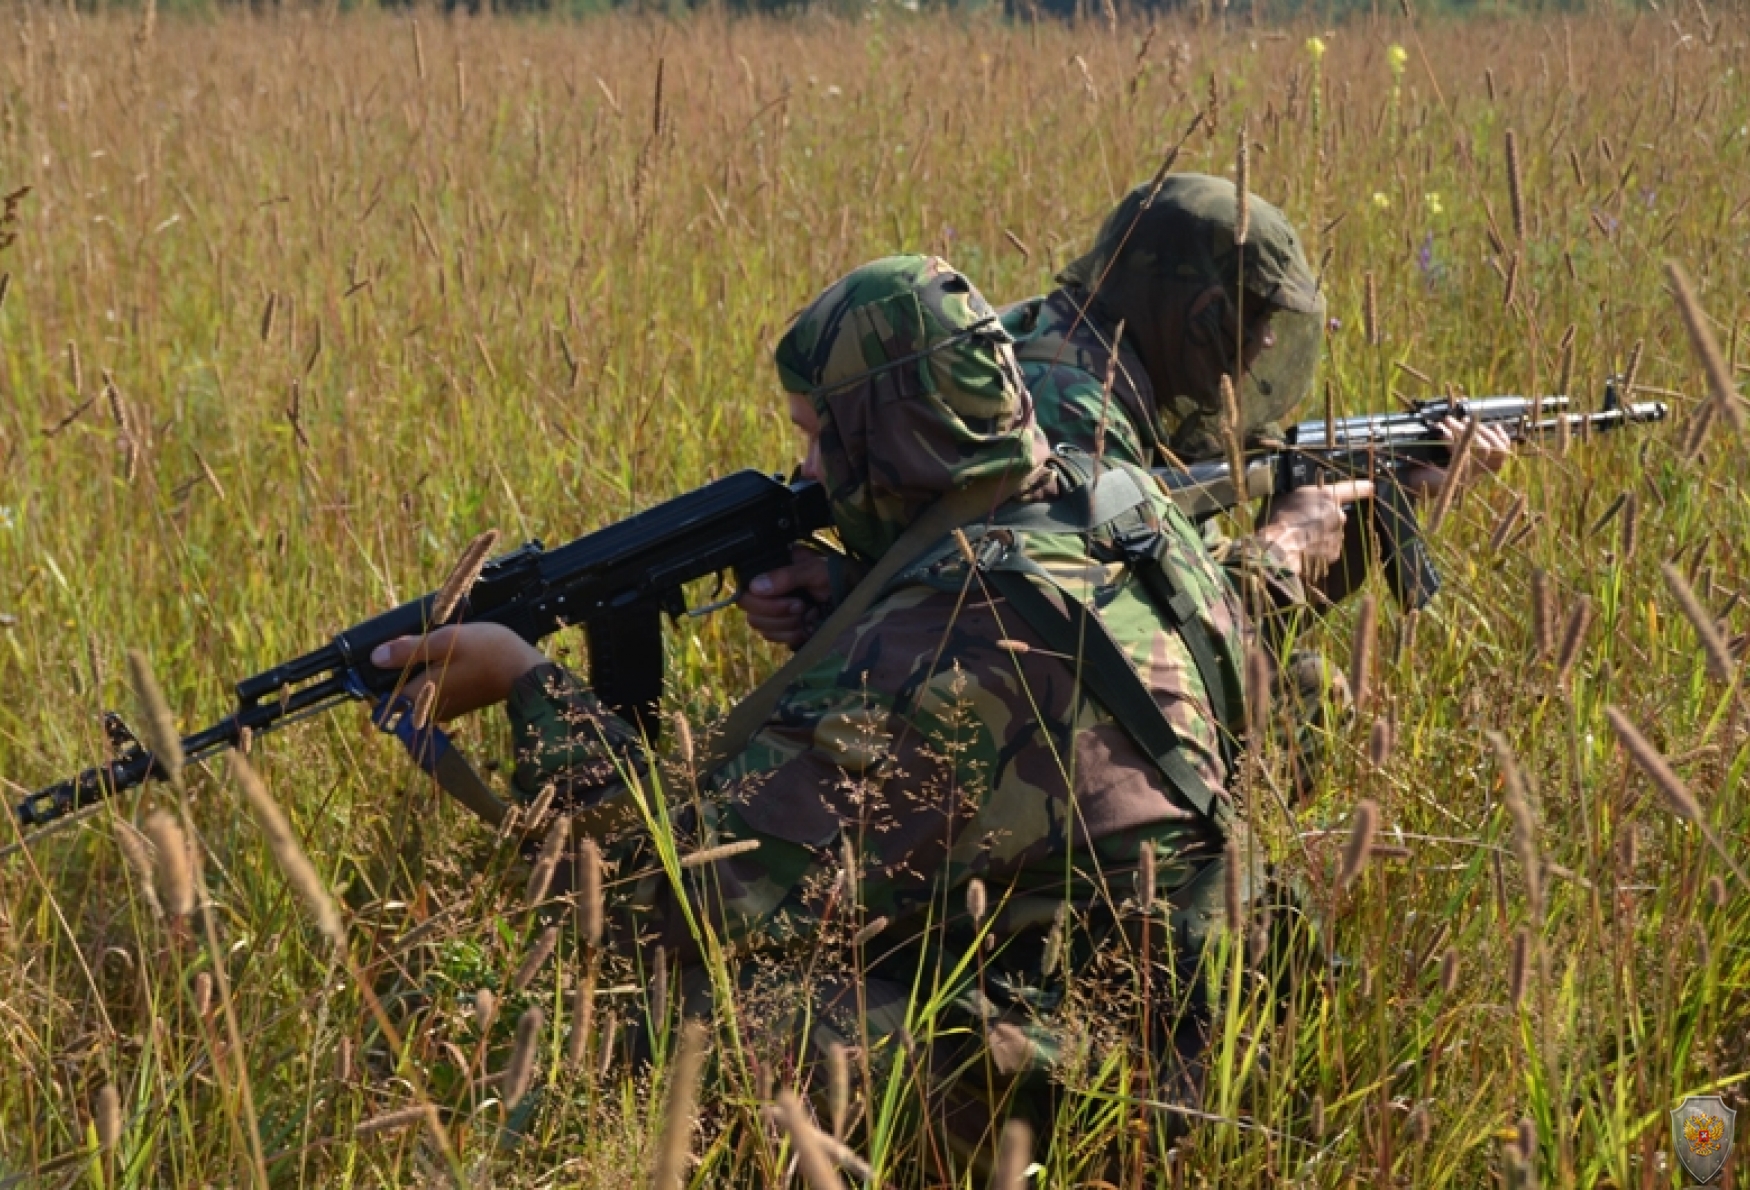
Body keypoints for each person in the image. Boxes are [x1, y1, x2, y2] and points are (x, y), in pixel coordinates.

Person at [368, 256, 1277, 1161]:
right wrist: (858, 591)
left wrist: (528, 686)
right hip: (1230, 972)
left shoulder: (932, 649)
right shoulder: (1123, 502)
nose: (806, 470)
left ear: (884, 438)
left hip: (1120, 1056)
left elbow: (668, 903)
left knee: (692, 1030)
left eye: (817, 436)